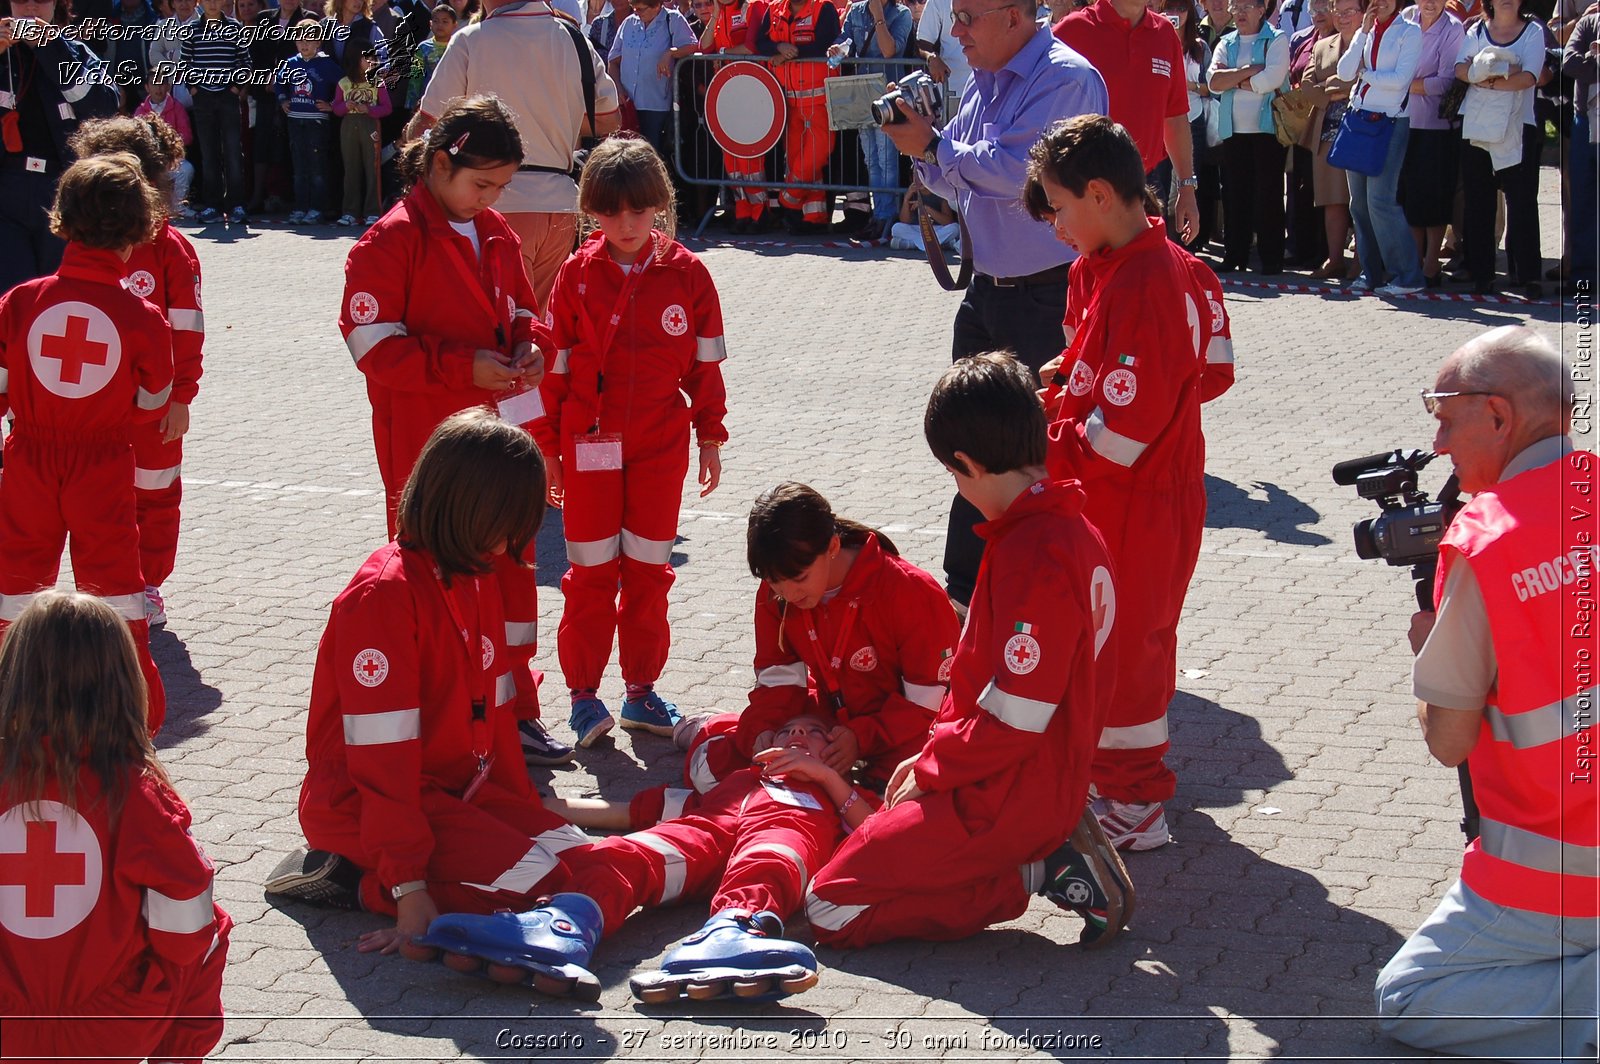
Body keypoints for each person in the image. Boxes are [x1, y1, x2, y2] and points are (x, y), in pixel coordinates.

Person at [803, 352, 1133, 949]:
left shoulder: (1034, 553)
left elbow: (1016, 717)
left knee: (829, 905)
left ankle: (1036, 869)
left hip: (1005, 790)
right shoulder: (1066, 526)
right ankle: (1038, 852)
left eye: (952, 475)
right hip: (1006, 776)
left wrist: (933, 771)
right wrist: (930, 758)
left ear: (967, 464)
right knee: (868, 849)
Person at [265, 409, 592, 955]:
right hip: (366, 805)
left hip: (450, 793)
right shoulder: (382, 597)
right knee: (543, 889)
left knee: (582, 863)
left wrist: (516, 812)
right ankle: (356, 882)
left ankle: (402, 874)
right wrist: (408, 885)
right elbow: (382, 761)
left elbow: (496, 718)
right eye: (507, 523)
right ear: (466, 509)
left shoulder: (472, 570)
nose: (513, 543)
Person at [1374, 326, 1598, 1063]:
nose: (1437, 443)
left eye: (1444, 416)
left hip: (1559, 872)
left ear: (1499, 417)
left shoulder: (1487, 540)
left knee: (1406, 1000)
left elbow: (1450, 743)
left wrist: (1427, 652)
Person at [338, 96, 568, 764]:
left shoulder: (493, 230)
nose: (490, 199)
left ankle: (514, 712)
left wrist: (532, 346)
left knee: (511, 577)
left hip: (498, 441)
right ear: (440, 164)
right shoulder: (389, 242)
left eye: (499, 187)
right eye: (481, 183)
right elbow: (373, 350)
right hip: (426, 450)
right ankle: (449, 722)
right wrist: (465, 366)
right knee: (435, 584)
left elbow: (526, 311)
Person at [1028, 115, 1234, 850]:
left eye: (1059, 207)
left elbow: (1121, 435)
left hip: (1142, 498)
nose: (1054, 225)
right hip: (1111, 491)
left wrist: (1040, 441)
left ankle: (1137, 804)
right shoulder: (1104, 264)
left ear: (1101, 194)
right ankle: (1106, 775)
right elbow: (1209, 369)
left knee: (1134, 646)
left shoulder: (1150, 276)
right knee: (1100, 640)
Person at [877, 0, 1107, 611]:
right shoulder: (989, 82)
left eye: (967, 17)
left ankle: (1045, 601)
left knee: (1040, 456)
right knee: (972, 450)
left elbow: (1018, 174)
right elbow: (953, 179)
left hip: (1047, 295)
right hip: (991, 292)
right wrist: (925, 148)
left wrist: (935, 148)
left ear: (1014, 16)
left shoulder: (1065, 77)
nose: (954, 32)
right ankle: (965, 600)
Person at [415, 711, 877, 1002]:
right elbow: (631, 813)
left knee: (774, 856)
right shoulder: (732, 782)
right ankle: (565, 926)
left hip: (780, 834)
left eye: (813, 733)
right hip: (710, 828)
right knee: (626, 853)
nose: (797, 735)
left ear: (836, 753)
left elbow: (873, 831)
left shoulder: (839, 795)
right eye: (787, 729)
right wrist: (546, 807)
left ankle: (734, 931)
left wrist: (828, 779)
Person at [540, 136, 728, 748]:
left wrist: (710, 436)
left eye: (638, 210)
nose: (625, 224)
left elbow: (705, 369)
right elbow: (555, 371)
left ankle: (642, 693)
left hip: (659, 446)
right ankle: (584, 698)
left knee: (649, 573)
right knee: (591, 575)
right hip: (587, 445)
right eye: (610, 211)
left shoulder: (689, 274)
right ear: (590, 210)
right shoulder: (574, 275)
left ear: (660, 205)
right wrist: (549, 451)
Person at [0, 591, 230, 1063]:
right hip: (107, 1030)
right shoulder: (136, 795)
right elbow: (186, 933)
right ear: (122, 684)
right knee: (211, 924)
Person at [0, 154, 172, 733]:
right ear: (136, 233)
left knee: (14, 584)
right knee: (116, 588)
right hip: (103, 461)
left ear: (63, 220)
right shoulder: (142, 316)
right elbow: (154, 401)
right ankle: (131, 714)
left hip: (27, 459)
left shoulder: (22, 301)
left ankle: (11, 702)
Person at [674, 482, 961, 795]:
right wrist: (765, 730)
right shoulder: (777, 590)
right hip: (825, 721)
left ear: (833, 548)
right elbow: (778, 679)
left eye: (799, 580)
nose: (788, 594)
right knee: (716, 775)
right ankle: (713, 727)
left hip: (904, 727)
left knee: (892, 800)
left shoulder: (910, 591)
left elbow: (929, 704)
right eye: (774, 583)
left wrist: (860, 738)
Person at [67, 118, 205, 631]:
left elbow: (187, 331)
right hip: (92, 408)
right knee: (96, 500)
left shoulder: (171, 249)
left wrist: (180, 397)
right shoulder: (81, 244)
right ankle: (99, 587)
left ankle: (147, 582)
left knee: (154, 494)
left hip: (154, 407)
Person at [412, 0, 623, 313]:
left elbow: (427, 122)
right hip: (560, 206)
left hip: (497, 201)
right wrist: (555, 117)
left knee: (497, 328)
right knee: (537, 331)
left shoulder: (472, 39)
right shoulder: (575, 38)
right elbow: (609, 118)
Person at [1054, 0, 1201, 241]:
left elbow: (1174, 117)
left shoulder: (1164, 34)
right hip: (1085, 187)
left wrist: (1187, 187)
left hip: (1146, 185)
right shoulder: (1072, 30)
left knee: (1144, 276)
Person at [0, 0, 119, 295]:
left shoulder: (75, 52)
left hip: (62, 189)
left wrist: (51, 48)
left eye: (40, 0)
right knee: (11, 296)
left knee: (58, 293)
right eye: (21, 0)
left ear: (55, 5)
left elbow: (103, 106)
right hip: (6, 189)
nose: (30, 8)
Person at [1454, 0, 1547, 297]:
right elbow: (1460, 68)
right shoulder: (1477, 30)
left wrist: (1486, 80)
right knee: (1479, 203)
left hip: (1518, 128)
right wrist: (1503, 72)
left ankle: (1529, 276)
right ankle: (1482, 274)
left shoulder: (1533, 31)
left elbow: (1529, 77)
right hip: (1478, 127)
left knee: (1522, 203)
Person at [1336, 0, 1425, 295]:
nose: (1381, 3)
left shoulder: (1409, 31)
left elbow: (1400, 81)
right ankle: (1370, 272)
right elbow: (1345, 70)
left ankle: (1408, 276)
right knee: (1358, 203)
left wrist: (1366, 75)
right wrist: (1361, 33)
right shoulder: (1368, 31)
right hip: (1359, 121)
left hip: (1390, 123)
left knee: (1381, 201)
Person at [1206, 0, 1290, 274]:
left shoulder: (1276, 39)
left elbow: (1271, 80)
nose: (1240, 12)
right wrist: (1250, 71)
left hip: (1268, 131)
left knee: (1269, 195)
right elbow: (1214, 83)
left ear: (1261, 9)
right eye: (1236, 6)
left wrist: (1235, 81)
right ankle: (1235, 255)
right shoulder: (1226, 42)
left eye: (1247, 6)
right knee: (1234, 194)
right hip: (1234, 132)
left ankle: (1271, 257)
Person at [830, 0, 914, 241]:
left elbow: (890, 50)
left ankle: (887, 216)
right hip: (862, 96)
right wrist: (837, 50)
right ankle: (879, 215)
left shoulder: (901, 14)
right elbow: (845, 41)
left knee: (887, 158)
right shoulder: (856, 11)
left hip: (887, 98)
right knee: (871, 160)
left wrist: (878, 17)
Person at [756, 0, 841, 231]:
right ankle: (811, 219)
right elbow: (760, 43)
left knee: (815, 157)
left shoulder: (823, 9)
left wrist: (787, 53)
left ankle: (787, 199)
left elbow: (826, 45)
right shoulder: (773, 9)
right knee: (796, 162)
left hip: (819, 100)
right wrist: (778, 48)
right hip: (789, 101)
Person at [1299, 0, 1358, 278]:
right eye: (1340, 12)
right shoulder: (1322, 46)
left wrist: (1331, 86)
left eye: (1350, 12)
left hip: (1364, 133)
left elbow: (1363, 80)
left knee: (1361, 201)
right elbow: (1308, 88)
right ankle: (1335, 259)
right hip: (1327, 133)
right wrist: (1340, 89)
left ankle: (1362, 261)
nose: (1343, 18)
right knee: (1332, 200)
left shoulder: (1370, 44)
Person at [700, 0, 769, 232]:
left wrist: (722, 52)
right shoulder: (721, 12)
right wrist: (715, 15)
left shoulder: (754, 6)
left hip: (751, 88)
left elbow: (751, 47)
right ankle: (742, 210)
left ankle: (760, 212)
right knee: (731, 156)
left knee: (750, 156)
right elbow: (704, 46)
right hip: (726, 92)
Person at [181, 0, 251, 225]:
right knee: (209, 153)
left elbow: (245, 62)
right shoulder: (192, 29)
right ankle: (213, 204)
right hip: (203, 99)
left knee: (232, 151)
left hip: (227, 98)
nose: (212, 4)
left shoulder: (235, 28)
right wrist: (194, 89)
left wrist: (235, 88)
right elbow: (185, 63)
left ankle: (237, 204)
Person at [609, 0, 700, 160]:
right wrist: (617, 87)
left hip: (656, 105)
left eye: (641, 9)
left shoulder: (673, 19)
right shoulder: (628, 23)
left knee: (651, 158)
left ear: (656, 5)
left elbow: (692, 45)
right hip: (628, 106)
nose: (636, 12)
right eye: (634, 8)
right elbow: (613, 61)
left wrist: (670, 53)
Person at [277, 18, 341, 223]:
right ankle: (300, 207)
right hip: (295, 120)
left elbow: (344, 85)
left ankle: (317, 208)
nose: (304, 44)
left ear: (318, 42)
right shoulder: (290, 63)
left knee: (317, 167)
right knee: (299, 167)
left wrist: (332, 104)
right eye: (300, 40)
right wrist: (282, 100)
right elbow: (279, 83)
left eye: (309, 40)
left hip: (317, 122)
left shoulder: (326, 64)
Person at [332, 44, 393, 225]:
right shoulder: (343, 83)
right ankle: (350, 212)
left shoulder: (377, 82)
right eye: (366, 58)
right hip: (349, 125)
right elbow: (336, 108)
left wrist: (369, 109)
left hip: (370, 124)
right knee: (351, 169)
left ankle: (372, 211)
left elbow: (387, 108)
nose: (371, 61)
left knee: (372, 168)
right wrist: (346, 106)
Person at [1561, 4, 1596, 300]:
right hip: (1586, 121)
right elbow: (1570, 64)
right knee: (1583, 200)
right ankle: (1583, 275)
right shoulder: (1588, 24)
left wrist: (1593, 63)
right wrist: (1593, 57)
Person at [134, 73, 196, 216]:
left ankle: (178, 207)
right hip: (149, 161)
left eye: (162, 84)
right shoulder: (140, 111)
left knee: (186, 169)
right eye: (154, 84)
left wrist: (170, 149)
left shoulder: (177, 107)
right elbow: (136, 140)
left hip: (171, 158)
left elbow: (186, 136)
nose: (158, 88)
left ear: (168, 86)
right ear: (147, 87)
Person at [915, 0, 971, 110]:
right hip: (951, 91)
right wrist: (931, 57)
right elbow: (922, 42)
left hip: (991, 88)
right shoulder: (937, 1)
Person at [888, 170, 960, 248]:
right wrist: (906, 199)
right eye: (915, 177)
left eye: (921, 176)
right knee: (896, 228)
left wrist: (926, 208)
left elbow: (948, 222)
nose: (919, 180)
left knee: (955, 228)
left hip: (937, 230)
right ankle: (938, 245)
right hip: (918, 230)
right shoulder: (912, 193)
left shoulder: (939, 192)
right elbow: (904, 221)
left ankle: (912, 244)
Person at [405, 3, 458, 109]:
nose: (440, 25)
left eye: (445, 21)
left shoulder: (458, 47)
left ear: (454, 25)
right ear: (430, 24)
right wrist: (411, 103)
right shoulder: (423, 48)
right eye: (436, 21)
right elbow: (416, 77)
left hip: (452, 102)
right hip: (427, 101)